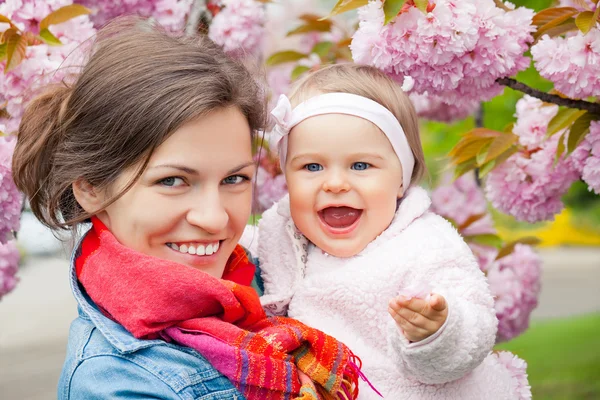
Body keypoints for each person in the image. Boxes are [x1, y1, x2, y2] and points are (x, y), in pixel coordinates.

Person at [12, 18, 363, 400]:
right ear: (91, 189)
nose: (214, 218)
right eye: (173, 181)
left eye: (234, 179)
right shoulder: (116, 383)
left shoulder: (265, 278)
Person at [254, 64, 531, 399]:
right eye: (312, 166)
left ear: (401, 177)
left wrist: (436, 331)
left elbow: (473, 330)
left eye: (360, 165)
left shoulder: (424, 245)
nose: (336, 183)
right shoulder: (282, 236)